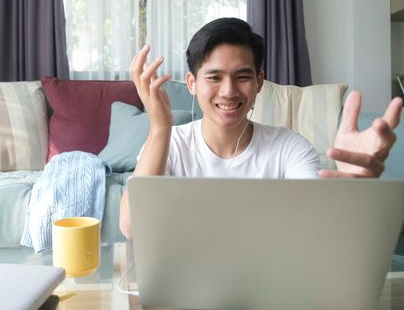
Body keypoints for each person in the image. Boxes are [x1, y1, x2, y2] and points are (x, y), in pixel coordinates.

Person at [119, 17, 402, 239]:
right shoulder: (168, 143)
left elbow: (316, 226)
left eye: (242, 76)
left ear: (259, 82)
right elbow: (132, 229)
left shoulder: (290, 147)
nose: (228, 91)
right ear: (192, 83)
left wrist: (354, 193)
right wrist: (160, 127)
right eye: (214, 77)